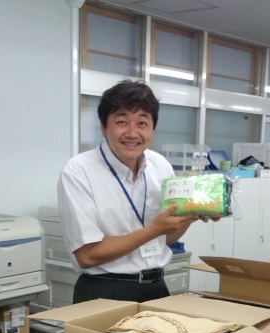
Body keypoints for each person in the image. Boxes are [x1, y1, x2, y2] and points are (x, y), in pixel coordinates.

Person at [57, 79, 200, 303]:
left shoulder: (160, 166)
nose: (132, 133)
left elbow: (164, 239)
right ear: (103, 127)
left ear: (152, 128)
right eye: (122, 122)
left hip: (156, 288)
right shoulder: (79, 171)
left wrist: (190, 216)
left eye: (142, 123)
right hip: (104, 291)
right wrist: (153, 230)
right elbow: (87, 255)